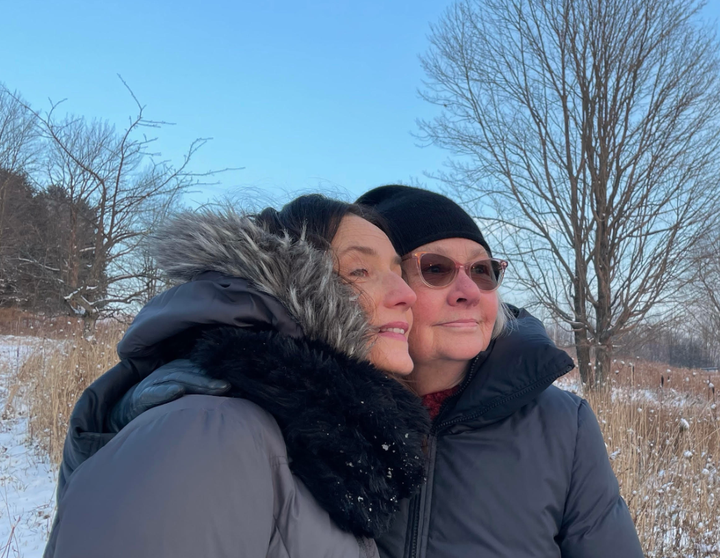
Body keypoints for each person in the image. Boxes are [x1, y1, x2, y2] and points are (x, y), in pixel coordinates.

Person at [54, 186, 645, 557]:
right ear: (320, 292)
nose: (468, 290)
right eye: (435, 268)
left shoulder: (561, 426)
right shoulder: (282, 423)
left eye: (485, 270)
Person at [44, 195, 431, 558]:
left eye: (398, 272)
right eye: (360, 270)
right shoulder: (209, 433)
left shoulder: (324, 445)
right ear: (298, 285)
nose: (407, 294)